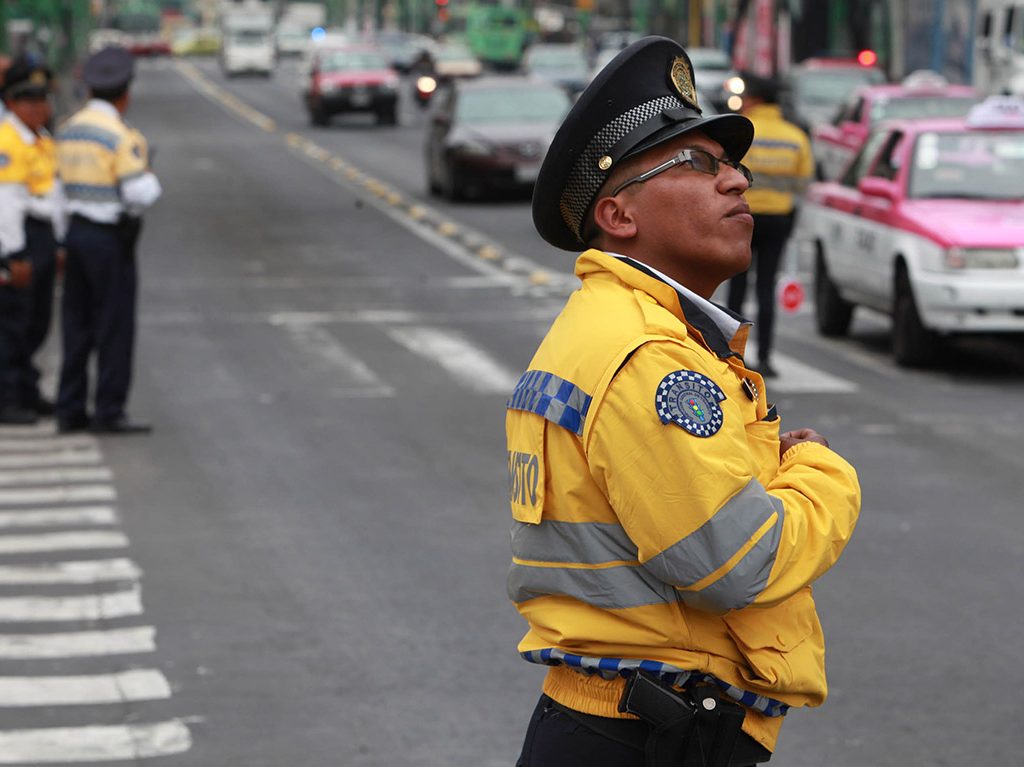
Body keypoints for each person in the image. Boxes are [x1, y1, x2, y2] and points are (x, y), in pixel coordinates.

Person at [507, 37, 861, 767]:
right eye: (698, 165)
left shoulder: (616, 328)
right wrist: (825, 474)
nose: (735, 181)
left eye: (732, 164)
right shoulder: (648, 355)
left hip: (617, 723)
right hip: (647, 738)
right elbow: (735, 562)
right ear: (619, 215)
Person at [55, 46, 161, 434]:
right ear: (125, 93)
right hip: (109, 240)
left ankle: (69, 408)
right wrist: (149, 173)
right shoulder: (122, 136)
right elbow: (139, 193)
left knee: (76, 324)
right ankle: (108, 410)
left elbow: (56, 192)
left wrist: (62, 240)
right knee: (114, 326)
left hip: (76, 233)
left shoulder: (68, 129)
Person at [725, 72, 814, 377]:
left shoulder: (741, 131)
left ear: (756, 99)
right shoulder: (795, 137)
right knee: (766, 288)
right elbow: (803, 184)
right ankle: (765, 358)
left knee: (737, 288)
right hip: (778, 220)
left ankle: (734, 355)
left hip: (741, 217)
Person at [0, 56, 63, 420]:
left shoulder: (40, 138)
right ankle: (8, 398)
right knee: (12, 322)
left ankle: (26, 389)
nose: (39, 107)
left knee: (36, 322)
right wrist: (14, 255)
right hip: (17, 238)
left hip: (40, 237)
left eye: (43, 99)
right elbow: (6, 204)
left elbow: (51, 196)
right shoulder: (8, 141)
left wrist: (57, 244)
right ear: (10, 101)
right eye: (29, 100)